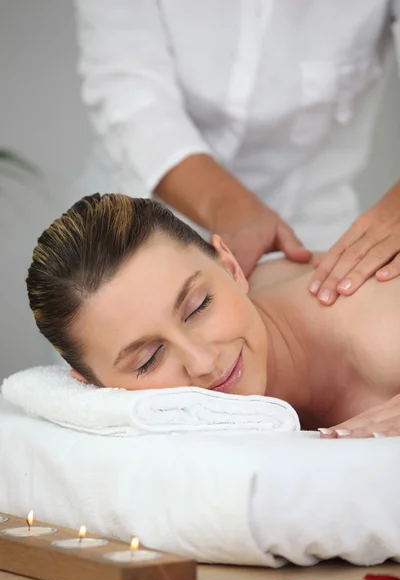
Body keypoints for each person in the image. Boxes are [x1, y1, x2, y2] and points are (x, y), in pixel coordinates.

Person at [74, 0, 400, 304]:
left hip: (315, 231)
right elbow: (126, 85)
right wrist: (229, 207)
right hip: (129, 224)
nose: (203, 363)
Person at [27, 193, 400, 438]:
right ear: (90, 384)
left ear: (232, 266)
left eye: (199, 307)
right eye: (149, 359)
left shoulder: (379, 331)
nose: (203, 363)